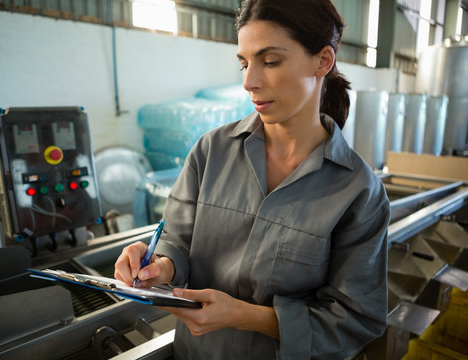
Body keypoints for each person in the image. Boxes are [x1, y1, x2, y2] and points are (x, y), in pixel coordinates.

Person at [114, 0, 391, 358]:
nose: (249, 82)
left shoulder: (357, 192)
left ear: (323, 61)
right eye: (244, 63)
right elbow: (176, 241)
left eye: (270, 61)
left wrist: (251, 317)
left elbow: (355, 320)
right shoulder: (211, 151)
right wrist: (159, 266)